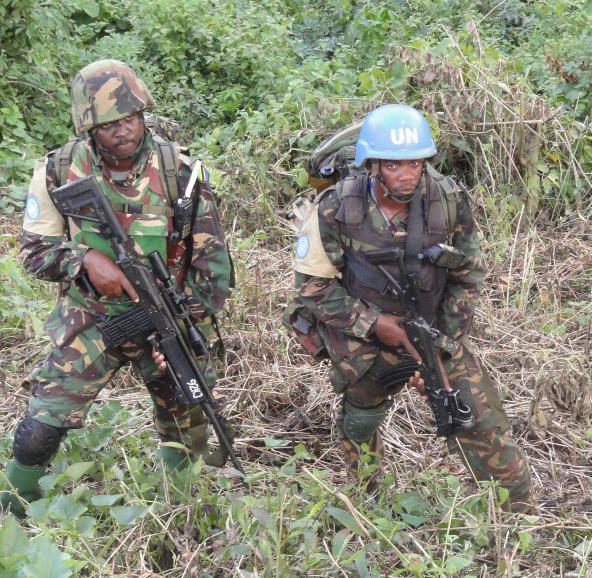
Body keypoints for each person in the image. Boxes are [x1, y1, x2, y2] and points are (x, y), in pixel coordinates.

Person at [0, 59, 233, 517]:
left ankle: (178, 512)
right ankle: (13, 508)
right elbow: (34, 251)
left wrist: (189, 329)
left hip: (164, 312)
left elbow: (213, 264)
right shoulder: (58, 170)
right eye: (107, 125)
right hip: (91, 316)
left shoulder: (178, 171)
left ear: (143, 114)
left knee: (188, 419)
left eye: (128, 119)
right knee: (40, 428)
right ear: (89, 128)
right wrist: (84, 259)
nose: (121, 131)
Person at [285, 104, 535, 513]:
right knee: (361, 418)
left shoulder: (448, 200)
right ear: (373, 165)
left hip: (432, 329)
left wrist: (441, 344)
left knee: (478, 419)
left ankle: (521, 514)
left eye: (415, 163)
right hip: (363, 331)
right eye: (395, 165)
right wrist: (374, 324)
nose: (406, 174)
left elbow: (468, 277)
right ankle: (366, 503)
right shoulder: (335, 207)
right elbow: (311, 289)